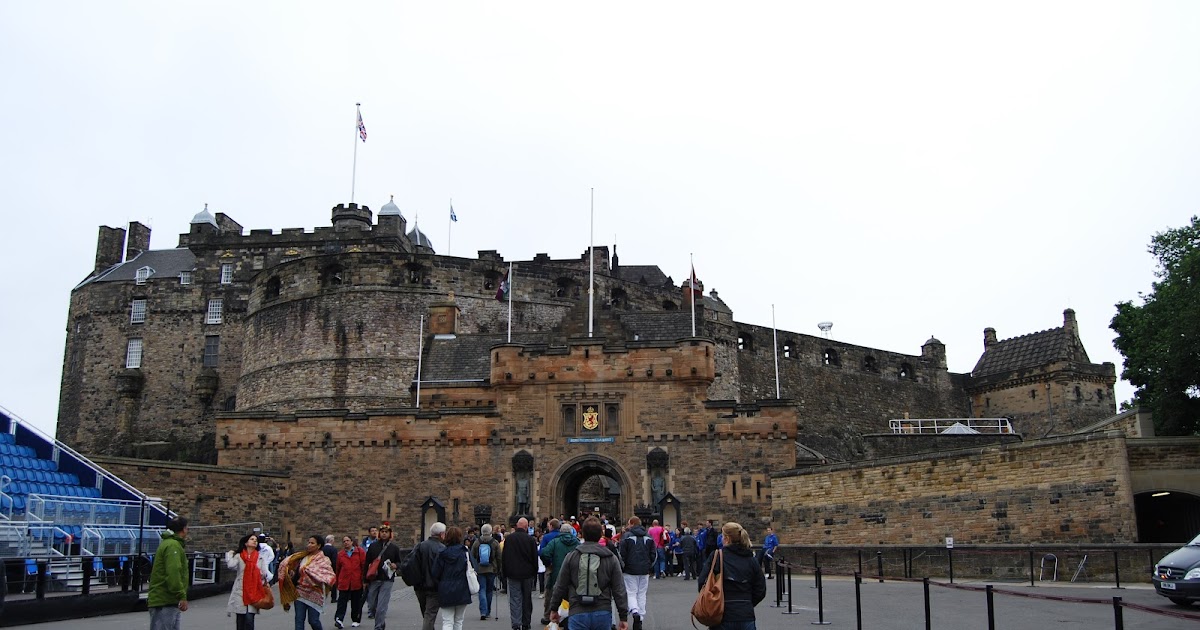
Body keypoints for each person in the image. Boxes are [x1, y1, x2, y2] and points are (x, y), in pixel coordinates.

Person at [548, 516, 629, 630]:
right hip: (602, 610)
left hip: (577, 610)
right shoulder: (610, 558)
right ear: (601, 534)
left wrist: (554, 608)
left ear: (582, 534)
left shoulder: (572, 556)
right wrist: (623, 616)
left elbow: (560, 585)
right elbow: (619, 589)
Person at [698, 523, 766, 630]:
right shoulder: (751, 559)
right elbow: (760, 589)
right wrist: (748, 603)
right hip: (745, 613)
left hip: (722, 613)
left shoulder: (717, 557)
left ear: (727, 539)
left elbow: (702, 582)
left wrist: (713, 601)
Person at [280, 534, 337, 630]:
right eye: (309, 542)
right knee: (299, 620)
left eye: (312, 543)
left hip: (315, 593)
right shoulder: (302, 557)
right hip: (300, 592)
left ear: (318, 545)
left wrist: (311, 573)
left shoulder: (324, 560)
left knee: (313, 621)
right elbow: (296, 571)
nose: (309, 545)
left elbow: (328, 574)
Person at [148, 516, 190, 630]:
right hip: (165, 600)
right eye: (187, 528)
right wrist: (181, 595)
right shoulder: (173, 546)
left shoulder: (169, 544)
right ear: (183, 529)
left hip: (167, 600)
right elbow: (173, 573)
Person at [226, 532, 273, 630]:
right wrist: (230, 554)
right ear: (246, 543)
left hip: (254, 591)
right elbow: (231, 565)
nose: (254, 541)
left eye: (256, 540)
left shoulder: (259, 558)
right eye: (252, 539)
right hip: (240, 591)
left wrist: (260, 575)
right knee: (240, 620)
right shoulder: (239, 556)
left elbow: (265, 574)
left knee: (249, 619)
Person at [616, 516, 655, 630]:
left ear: (632, 523)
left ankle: (635, 611)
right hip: (644, 570)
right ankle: (640, 618)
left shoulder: (627, 536)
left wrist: (623, 567)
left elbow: (622, 554)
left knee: (631, 593)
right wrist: (649, 566)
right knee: (642, 593)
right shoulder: (648, 536)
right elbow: (653, 554)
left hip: (630, 570)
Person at [502, 517, 539, 630]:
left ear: (517, 526)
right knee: (527, 599)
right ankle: (526, 622)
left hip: (513, 573)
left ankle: (516, 623)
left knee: (515, 599)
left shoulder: (509, 539)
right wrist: (535, 572)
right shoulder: (530, 540)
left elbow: (505, 557)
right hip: (527, 573)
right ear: (526, 527)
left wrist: (504, 572)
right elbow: (534, 558)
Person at [432, 526, 472, 630]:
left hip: (446, 588)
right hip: (462, 588)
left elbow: (435, 573)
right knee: (459, 621)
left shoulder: (442, 553)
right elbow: (473, 568)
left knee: (447, 621)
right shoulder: (465, 552)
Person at [364, 524, 403, 630]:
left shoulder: (394, 548)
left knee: (382, 605)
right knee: (372, 604)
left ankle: (378, 626)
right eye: (382, 532)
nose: (384, 534)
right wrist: (365, 580)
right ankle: (380, 622)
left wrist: (396, 565)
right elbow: (367, 563)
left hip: (387, 579)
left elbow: (400, 562)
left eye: (386, 532)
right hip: (374, 578)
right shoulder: (373, 546)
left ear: (390, 534)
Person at [538, 523, 578, 625]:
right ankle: (570, 616)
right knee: (572, 596)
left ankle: (549, 616)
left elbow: (544, 553)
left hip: (556, 572)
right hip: (573, 575)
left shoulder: (555, 542)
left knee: (552, 594)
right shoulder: (577, 543)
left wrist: (548, 564)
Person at [413, 522, 447, 630]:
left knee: (426, 614)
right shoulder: (442, 548)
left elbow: (411, 564)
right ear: (441, 534)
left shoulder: (420, 546)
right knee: (429, 615)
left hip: (419, 585)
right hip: (434, 587)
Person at [334, 535, 367, 629]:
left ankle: (356, 619)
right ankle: (339, 619)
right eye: (344, 541)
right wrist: (337, 581)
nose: (346, 543)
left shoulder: (360, 552)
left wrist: (364, 580)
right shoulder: (340, 554)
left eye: (347, 540)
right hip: (344, 582)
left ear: (352, 542)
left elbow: (364, 566)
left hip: (356, 581)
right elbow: (338, 568)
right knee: (342, 602)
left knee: (356, 602)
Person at [471, 523, 501, 620]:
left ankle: (483, 611)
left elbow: (473, 555)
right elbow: (499, 557)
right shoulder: (494, 542)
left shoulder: (477, 542)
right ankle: (488, 611)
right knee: (489, 590)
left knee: (482, 589)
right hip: (491, 569)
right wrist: (499, 568)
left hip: (480, 569)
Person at [324, 535, 340, 604]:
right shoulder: (333, 549)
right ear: (331, 541)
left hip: (322, 568)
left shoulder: (322, 549)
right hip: (331, 568)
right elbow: (334, 561)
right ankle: (333, 598)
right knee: (333, 583)